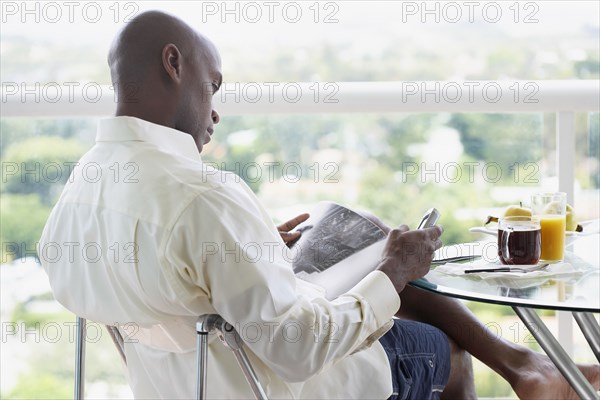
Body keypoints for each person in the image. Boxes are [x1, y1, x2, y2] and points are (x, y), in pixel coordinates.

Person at [38, 10, 599, 399]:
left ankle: (529, 368)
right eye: (213, 87)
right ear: (173, 64)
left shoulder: (78, 193)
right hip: (271, 385)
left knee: (371, 247)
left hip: (178, 385)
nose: (215, 111)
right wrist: (394, 270)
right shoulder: (201, 195)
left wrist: (254, 254)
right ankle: (528, 369)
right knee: (441, 350)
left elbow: (159, 282)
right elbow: (296, 349)